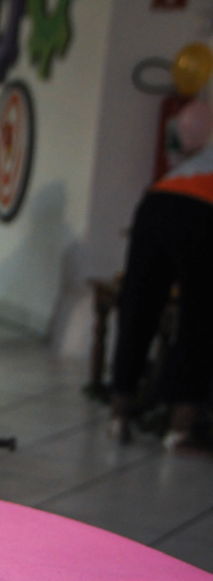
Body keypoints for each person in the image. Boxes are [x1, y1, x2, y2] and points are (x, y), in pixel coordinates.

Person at [110, 100, 213, 451]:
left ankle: (119, 415)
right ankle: (180, 429)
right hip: (203, 210)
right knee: (200, 317)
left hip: (156, 201)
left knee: (138, 306)